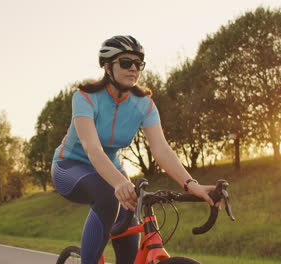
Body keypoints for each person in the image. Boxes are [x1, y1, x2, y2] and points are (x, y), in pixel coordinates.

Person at [51, 35, 217, 264]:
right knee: (108, 196)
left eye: (138, 64)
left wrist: (192, 185)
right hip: (70, 166)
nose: (134, 69)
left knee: (130, 235)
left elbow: (161, 150)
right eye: (126, 63)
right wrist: (119, 183)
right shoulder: (85, 97)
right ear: (108, 67)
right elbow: (92, 148)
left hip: (113, 170)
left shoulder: (144, 104)